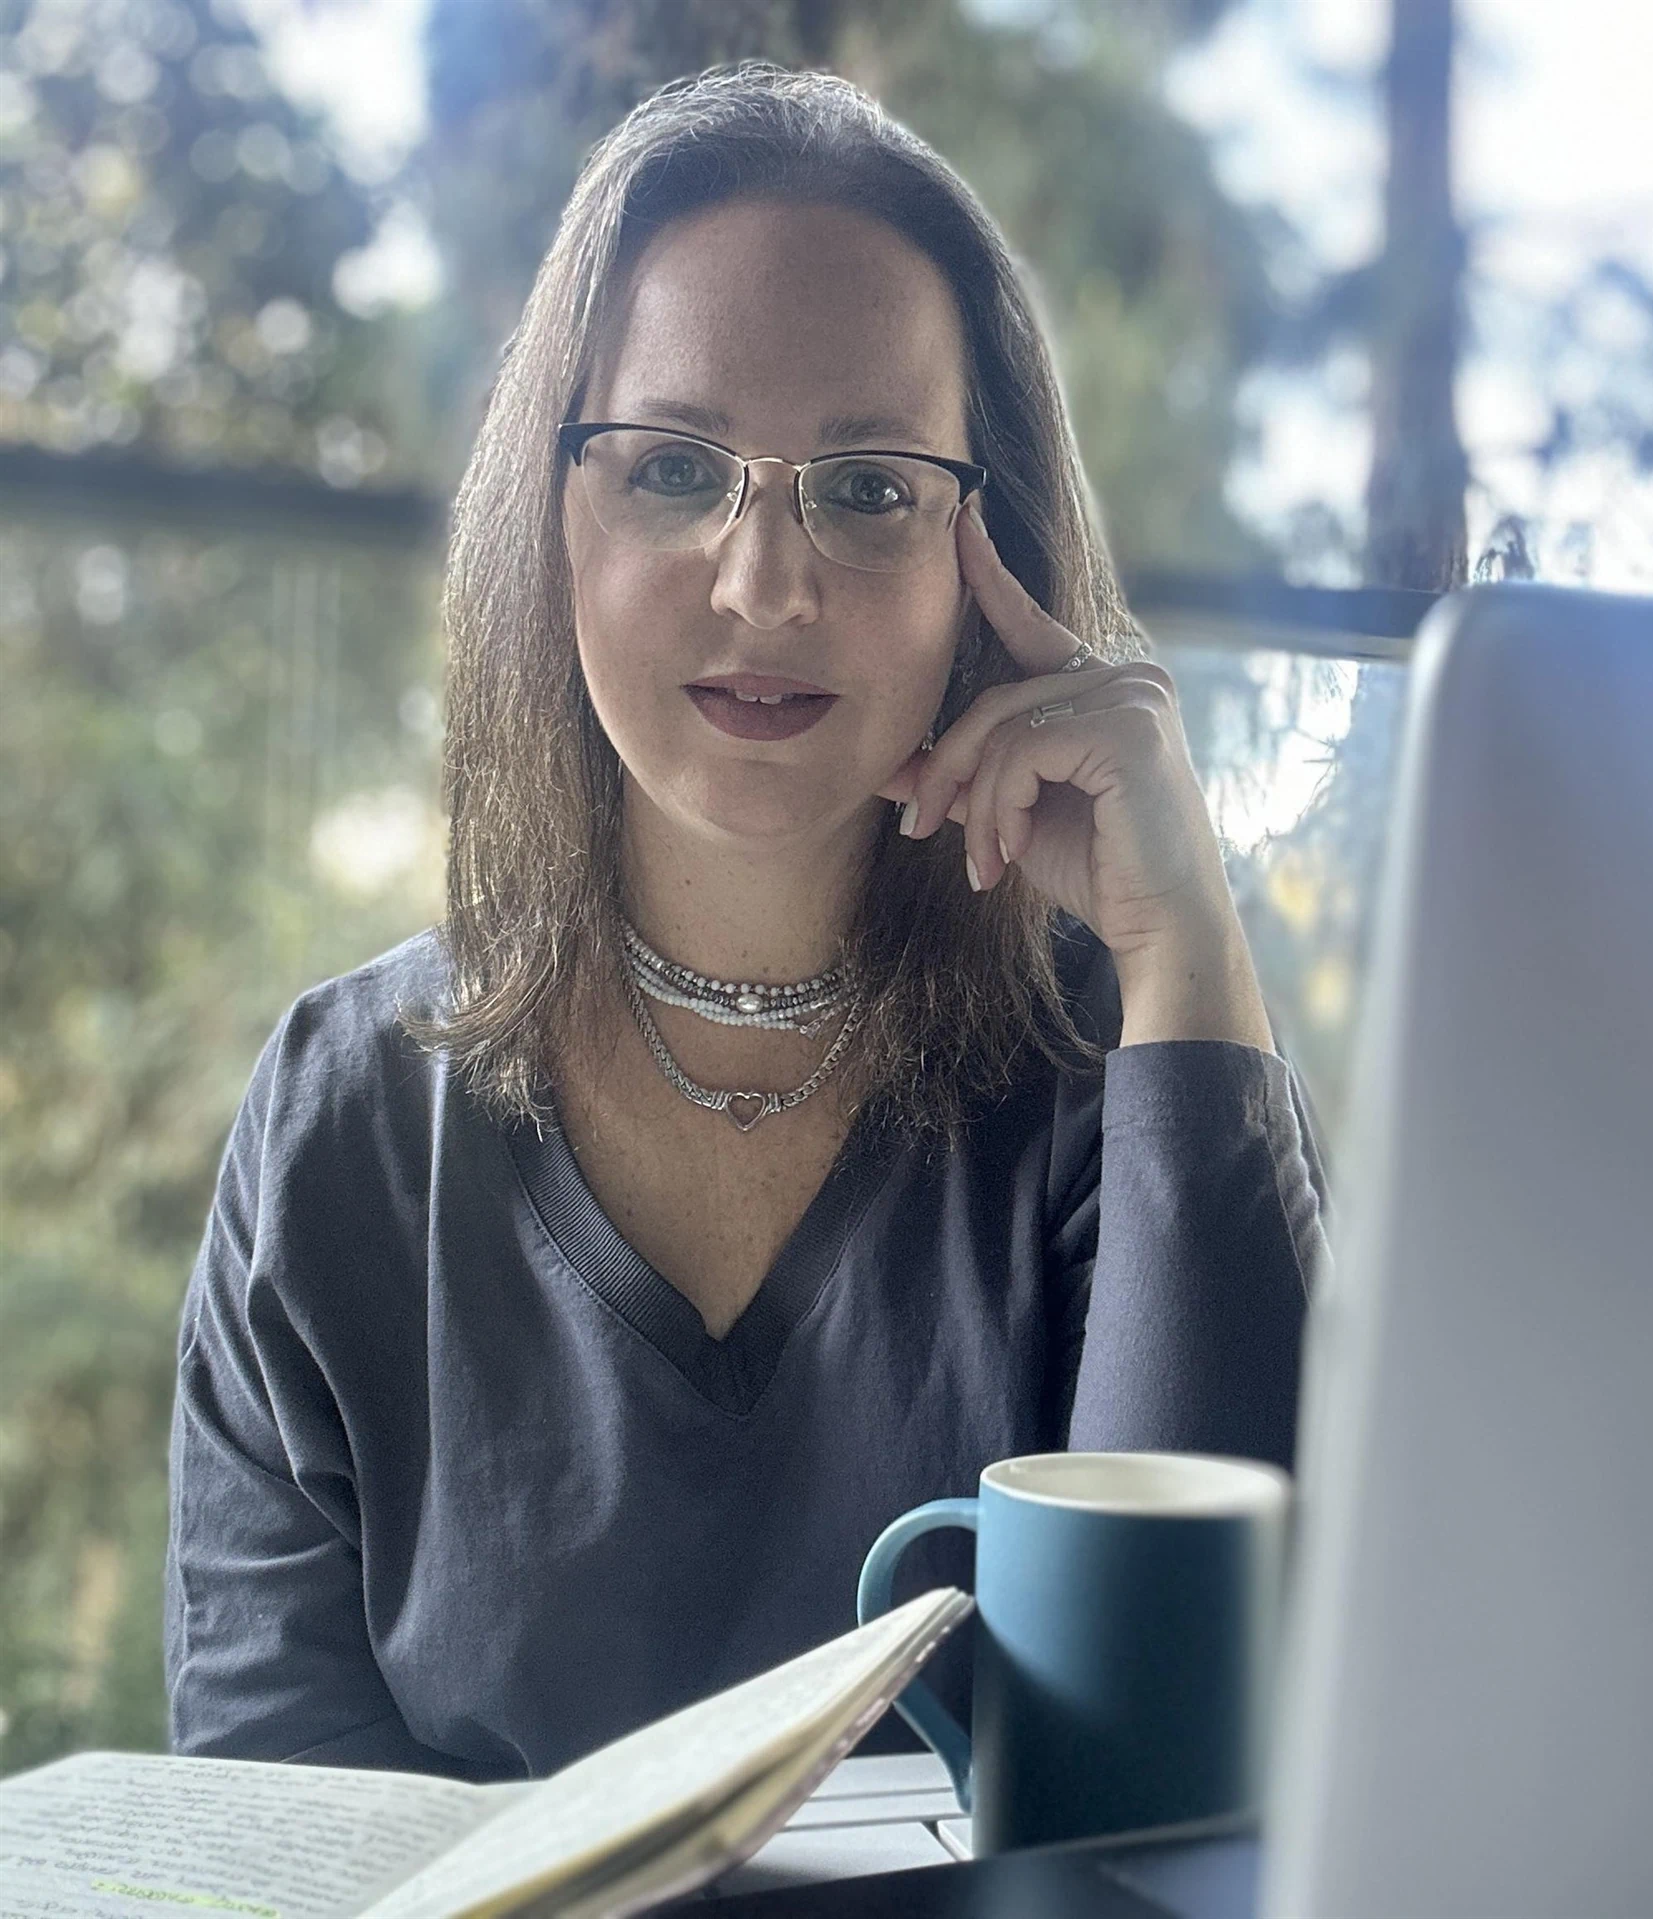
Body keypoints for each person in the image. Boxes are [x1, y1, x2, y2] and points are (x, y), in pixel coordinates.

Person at [165, 62, 1328, 1782]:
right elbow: (269, 1828)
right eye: (674, 468)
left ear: (980, 558)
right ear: (551, 515)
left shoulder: (1129, 1076)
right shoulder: (338, 1123)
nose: (765, 583)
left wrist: (1182, 958)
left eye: (867, 487)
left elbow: (1207, 1771)